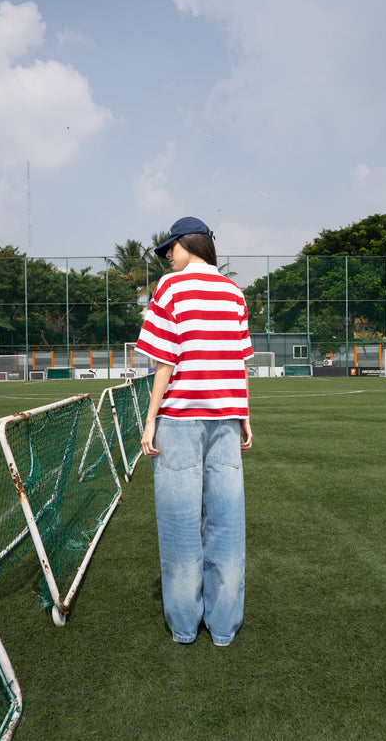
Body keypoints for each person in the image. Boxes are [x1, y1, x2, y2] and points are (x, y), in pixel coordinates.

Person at [135, 216, 253, 646]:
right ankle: (223, 628)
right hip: (225, 422)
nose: (167, 255)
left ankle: (184, 628)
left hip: (180, 422)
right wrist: (244, 416)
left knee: (181, 528)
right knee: (227, 526)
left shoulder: (169, 289)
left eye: (170, 247)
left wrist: (150, 419)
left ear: (189, 244)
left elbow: (164, 363)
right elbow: (238, 364)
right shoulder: (234, 293)